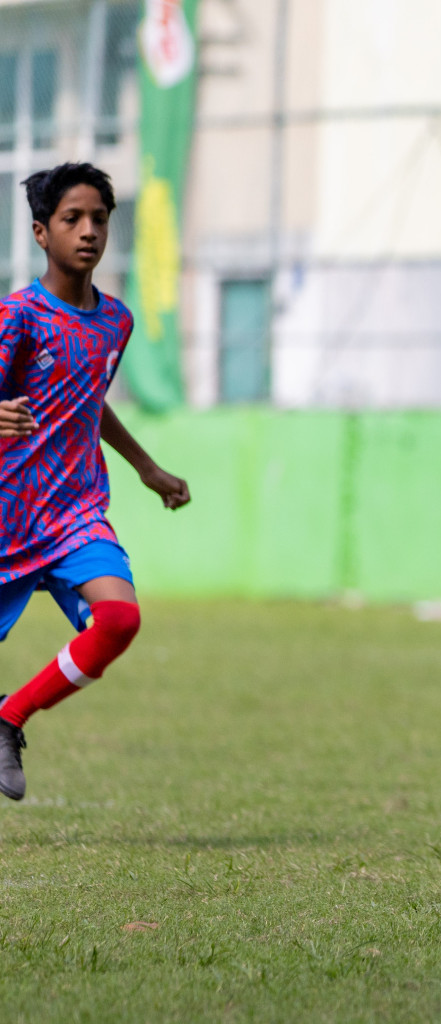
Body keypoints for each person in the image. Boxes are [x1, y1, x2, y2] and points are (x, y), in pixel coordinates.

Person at [0, 162, 191, 800]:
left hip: (76, 513)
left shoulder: (118, 322)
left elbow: (87, 399)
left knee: (119, 620)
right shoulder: (18, 317)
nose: (88, 231)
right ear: (39, 232)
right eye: (71, 219)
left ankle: (10, 716)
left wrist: (145, 467)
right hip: (7, 518)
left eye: (99, 219)